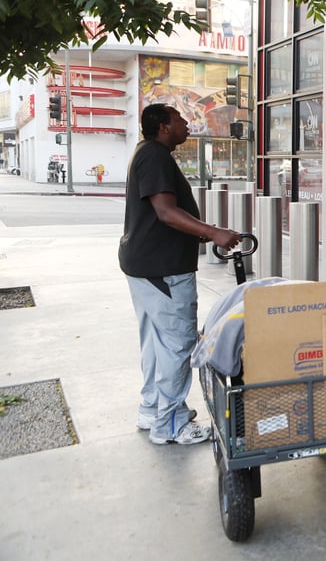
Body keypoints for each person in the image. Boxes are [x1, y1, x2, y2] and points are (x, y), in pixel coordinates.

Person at [119, 103, 242, 445]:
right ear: (162, 126)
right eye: (179, 119)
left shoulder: (147, 153)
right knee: (177, 345)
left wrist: (205, 232)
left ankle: (151, 408)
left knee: (155, 342)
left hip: (145, 267)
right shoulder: (155, 156)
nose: (186, 123)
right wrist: (213, 232)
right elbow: (166, 212)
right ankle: (170, 423)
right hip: (164, 270)